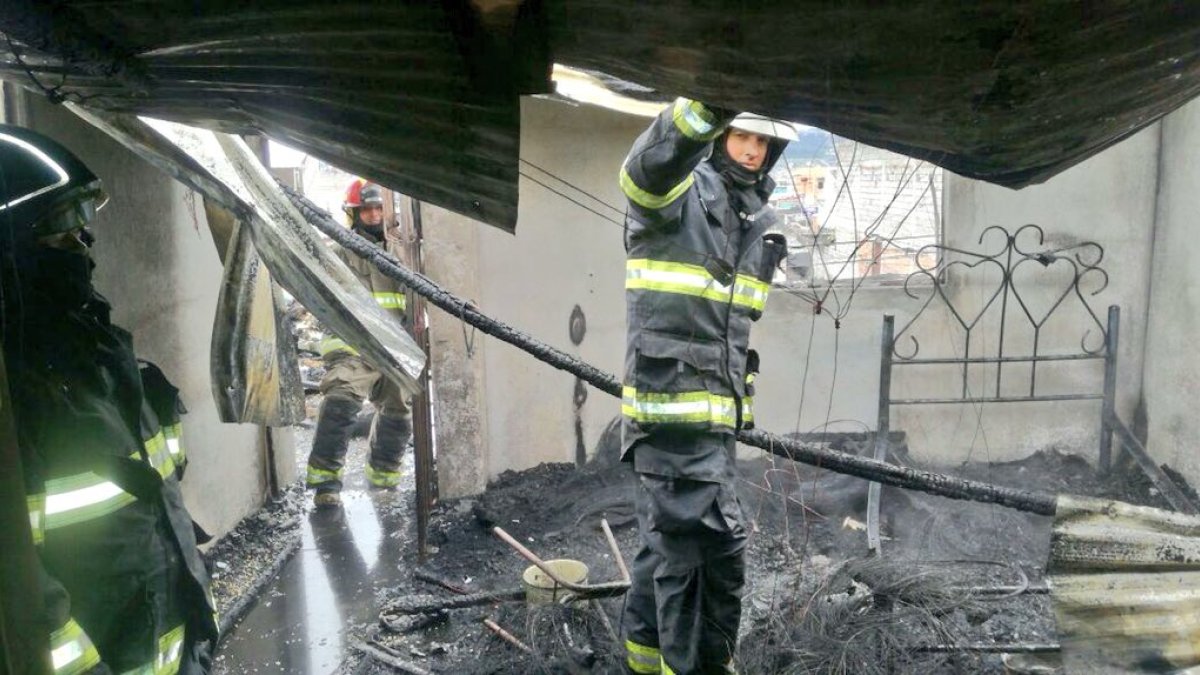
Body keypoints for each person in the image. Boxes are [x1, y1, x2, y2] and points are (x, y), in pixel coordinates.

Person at [0, 124, 218, 673]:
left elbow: (155, 501)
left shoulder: (96, 350)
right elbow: (19, 592)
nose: (84, 245)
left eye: (83, 224)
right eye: (60, 231)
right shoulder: (16, 393)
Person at [618, 99, 795, 674]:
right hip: (673, 419)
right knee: (709, 559)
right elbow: (643, 174)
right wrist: (709, 101)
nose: (752, 150)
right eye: (741, 135)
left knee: (666, 550)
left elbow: (729, 331)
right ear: (718, 136)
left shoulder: (759, 221)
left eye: (763, 142)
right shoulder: (679, 194)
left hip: (710, 425)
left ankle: (645, 662)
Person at [304, 179, 413, 508]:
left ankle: (384, 478)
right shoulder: (338, 252)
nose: (374, 215)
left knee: (399, 406)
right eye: (367, 210)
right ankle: (325, 483)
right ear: (353, 213)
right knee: (341, 398)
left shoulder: (400, 253)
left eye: (379, 208)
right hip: (351, 344)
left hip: (392, 346)